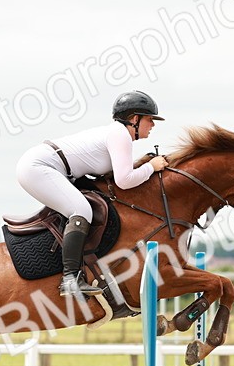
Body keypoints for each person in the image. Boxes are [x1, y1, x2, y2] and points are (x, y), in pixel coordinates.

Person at [16, 90, 169, 298]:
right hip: (39, 166)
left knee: (80, 207)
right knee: (81, 210)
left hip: (47, 166)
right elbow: (124, 181)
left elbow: (120, 175)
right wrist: (151, 167)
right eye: (150, 119)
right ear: (135, 119)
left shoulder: (118, 134)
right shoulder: (120, 134)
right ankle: (70, 278)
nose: (153, 125)